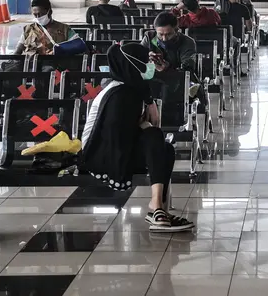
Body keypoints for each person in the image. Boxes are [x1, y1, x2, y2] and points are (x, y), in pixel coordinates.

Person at [79, 43, 195, 232]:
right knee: (155, 137)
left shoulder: (129, 86)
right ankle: (156, 208)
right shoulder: (121, 93)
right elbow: (115, 133)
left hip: (117, 146)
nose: (149, 66)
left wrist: (148, 113)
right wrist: (145, 124)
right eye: (145, 62)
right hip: (99, 154)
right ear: (133, 65)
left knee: (165, 148)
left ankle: (158, 209)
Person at [13, 0, 78, 56]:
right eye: (35, 15)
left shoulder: (64, 29)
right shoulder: (28, 29)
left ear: (50, 12)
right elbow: (18, 51)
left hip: (54, 65)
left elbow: (78, 46)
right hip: (31, 64)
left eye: (40, 14)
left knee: (48, 69)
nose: (38, 17)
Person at [219, 0, 252, 77]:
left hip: (222, 37)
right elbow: (249, 25)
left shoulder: (221, 7)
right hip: (238, 37)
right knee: (235, 42)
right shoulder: (243, 8)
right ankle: (236, 68)